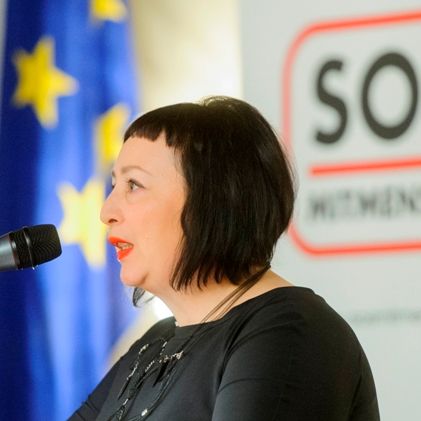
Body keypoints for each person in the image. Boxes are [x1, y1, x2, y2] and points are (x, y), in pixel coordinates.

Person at [69, 96, 380, 420]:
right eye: (114, 184)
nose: (106, 211)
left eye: (134, 185)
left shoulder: (288, 333)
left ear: (212, 200)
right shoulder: (154, 343)